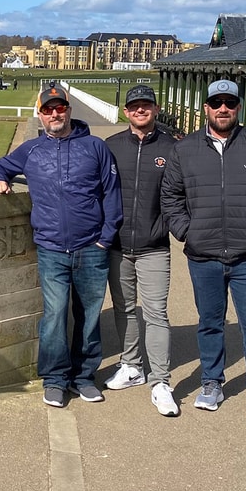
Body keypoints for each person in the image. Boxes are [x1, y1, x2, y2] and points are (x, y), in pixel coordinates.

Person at [160, 79, 246, 430]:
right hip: (203, 254)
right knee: (210, 323)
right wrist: (186, 231)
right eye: (217, 102)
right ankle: (212, 381)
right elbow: (171, 197)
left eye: (230, 103)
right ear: (206, 107)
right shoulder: (185, 149)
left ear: (238, 108)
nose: (223, 109)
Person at [0, 84, 122, 407]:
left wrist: (105, 238)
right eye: (48, 110)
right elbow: (0, 165)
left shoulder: (95, 147)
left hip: (92, 248)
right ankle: (55, 379)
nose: (54, 114)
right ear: (41, 114)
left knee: (89, 317)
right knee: (54, 316)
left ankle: (83, 377)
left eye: (59, 108)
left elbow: (112, 194)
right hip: (51, 249)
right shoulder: (32, 150)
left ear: (69, 111)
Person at [102, 84, 180, 416]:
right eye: (134, 106)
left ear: (156, 109)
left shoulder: (172, 148)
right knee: (124, 310)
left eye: (146, 105)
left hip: (154, 247)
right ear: (126, 111)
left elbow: (183, 195)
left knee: (156, 313)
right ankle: (131, 365)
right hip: (117, 245)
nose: (140, 110)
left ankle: (160, 380)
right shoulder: (111, 146)